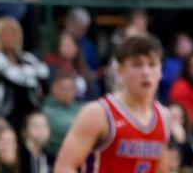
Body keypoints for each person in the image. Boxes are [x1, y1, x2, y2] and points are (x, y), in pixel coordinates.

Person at [53, 34, 169, 173]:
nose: (145, 72)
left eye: (152, 65)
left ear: (160, 70)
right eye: (137, 65)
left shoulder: (163, 116)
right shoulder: (98, 113)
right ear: (120, 71)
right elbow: (64, 167)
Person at [0, 17, 50, 128]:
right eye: (6, 34)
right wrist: (31, 74)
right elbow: (13, 77)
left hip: (29, 109)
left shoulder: (26, 57)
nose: (10, 38)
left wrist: (23, 71)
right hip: (4, 110)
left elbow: (44, 71)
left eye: (14, 34)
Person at [43, 32, 98, 102]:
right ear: (58, 48)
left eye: (72, 45)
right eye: (66, 45)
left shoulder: (81, 67)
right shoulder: (52, 68)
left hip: (84, 105)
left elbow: (93, 91)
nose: (69, 48)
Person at [41, 73, 81, 159]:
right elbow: (66, 128)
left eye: (71, 89)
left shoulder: (79, 107)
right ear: (53, 88)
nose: (67, 93)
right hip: (55, 158)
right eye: (63, 89)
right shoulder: (47, 110)